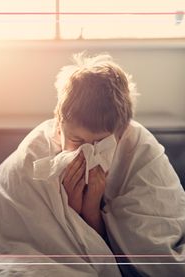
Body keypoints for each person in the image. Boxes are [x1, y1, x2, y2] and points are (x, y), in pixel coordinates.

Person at [51, 52, 138, 239]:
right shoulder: (40, 152)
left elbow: (112, 252)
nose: (87, 153)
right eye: (77, 141)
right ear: (59, 127)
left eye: (100, 144)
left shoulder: (131, 152)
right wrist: (70, 207)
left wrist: (91, 209)